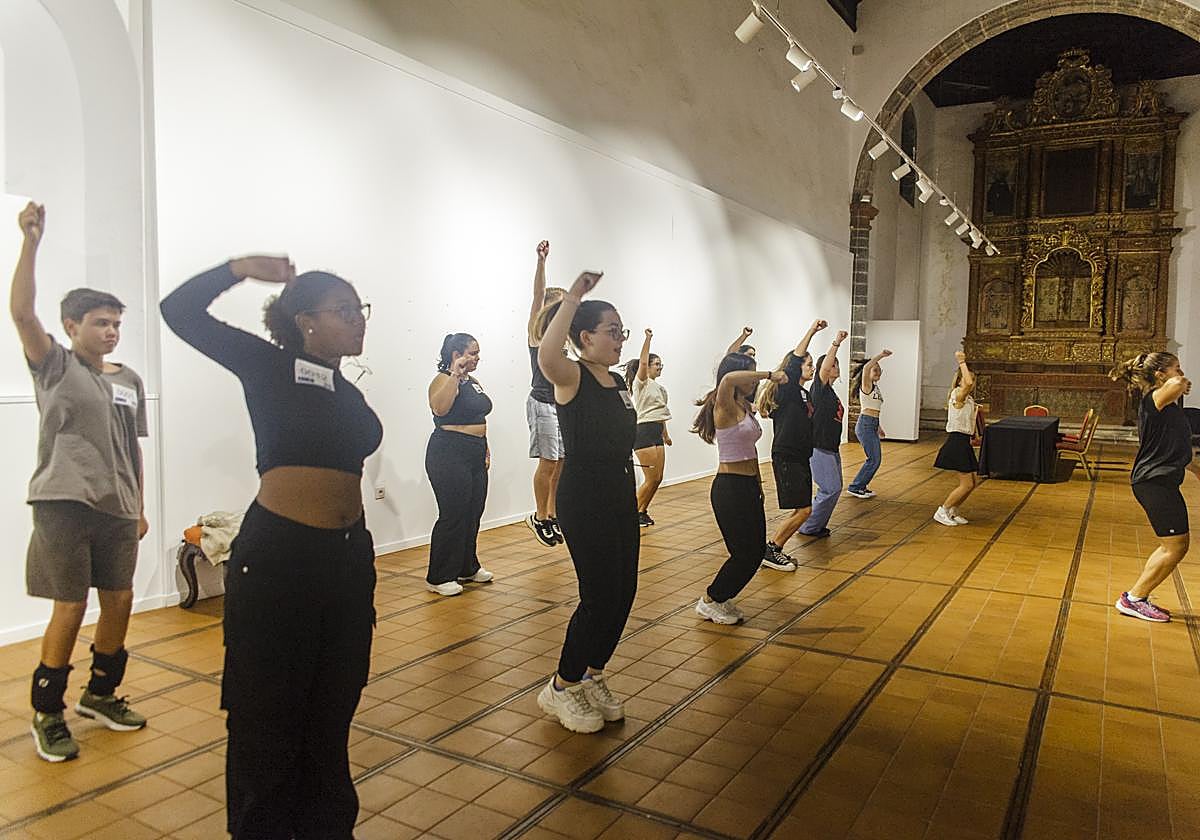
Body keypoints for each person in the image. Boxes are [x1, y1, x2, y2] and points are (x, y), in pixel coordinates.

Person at [161, 255, 382, 837]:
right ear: (305, 320)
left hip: (346, 561)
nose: (359, 321)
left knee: (332, 709)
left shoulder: (345, 388)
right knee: (267, 719)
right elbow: (178, 312)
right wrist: (237, 269)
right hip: (281, 559)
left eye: (361, 310)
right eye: (345, 311)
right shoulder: (268, 365)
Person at [11, 202, 149, 763]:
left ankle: (101, 695)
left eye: (117, 323)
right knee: (69, 607)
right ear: (72, 327)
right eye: (101, 322)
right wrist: (30, 242)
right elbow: (21, 313)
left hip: (117, 509)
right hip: (63, 504)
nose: (112, 331)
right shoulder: (56, 365)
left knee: (119, 601)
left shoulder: (131, 380)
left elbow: (132, 448)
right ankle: (48, 712)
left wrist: (139, 505)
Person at [535, 268, 637, 734]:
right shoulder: (570, 376)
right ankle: (560, 685)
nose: (619, 339)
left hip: (619, 494)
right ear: (584, 337)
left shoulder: (617, 383)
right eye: (612, 331)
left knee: (624, 593)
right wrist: (574, 296)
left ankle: (592, 673)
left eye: (622, 331)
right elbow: (546, 354)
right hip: (584, 496)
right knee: (597, 597)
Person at [693, 352, 787, 624]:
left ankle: (722, 597)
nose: (751, 380)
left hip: (747, 486)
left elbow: (751, 450)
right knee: (743, 554)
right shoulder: (723, 403)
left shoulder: (743, 405)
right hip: (729, 488)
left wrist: (758, 482)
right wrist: (769, 374)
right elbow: (729, 377)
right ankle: (710, 600)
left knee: (756, 552)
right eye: (750, 373)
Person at [1109, 351, 1196, 622]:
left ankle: (1136, 597)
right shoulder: (1152, 401)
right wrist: (1180, 382)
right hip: (1153, 482)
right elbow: (1178, 385)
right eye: (1176, 368)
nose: (1180, 373)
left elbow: (1179, 451)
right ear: (1159, 375)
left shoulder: (1166, 408)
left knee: (1173, 545)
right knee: (1175, 546)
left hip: (1160, 481)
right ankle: (1133, 598)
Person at [425, 333, 494, 596]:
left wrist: (485, 447)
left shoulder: (473, 382)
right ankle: (439, 576)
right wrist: (455, 375)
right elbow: (440, 409)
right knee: (453, 514)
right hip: (448, 452)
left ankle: (467, 567)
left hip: (475, 452)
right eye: (473, 353)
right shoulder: (442, 380)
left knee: (473, 511)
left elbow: (478, 414)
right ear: (456, 355)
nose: (477, 358)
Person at [757, 319, 826, 568]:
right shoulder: (787, 389)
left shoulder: (805, 394)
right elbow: (795, 359)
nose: (811, 368)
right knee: (804, 510)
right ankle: (772, 549)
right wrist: (812, 331)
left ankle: (774, 548)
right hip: (787, 454)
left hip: (800, 456)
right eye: (809, 365)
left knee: (804, 509)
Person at [526, 240, 566, 547]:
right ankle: (539, 516)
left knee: (562, 461)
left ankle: (552, 513)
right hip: (542, 403)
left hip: (561, 405)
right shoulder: (538, 334)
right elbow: (538, 297)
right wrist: (541, 263)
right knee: (549, 462)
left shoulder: (564, 339)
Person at [797, 330, 848, 538]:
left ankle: (816, 526)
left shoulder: (831, 392)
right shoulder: (819, 388)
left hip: (831, 447)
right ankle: (807, 526)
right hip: (819, 446)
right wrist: (836, 343)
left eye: (837, 364)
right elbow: (825, 368)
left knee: (834, 488)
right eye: (832, 364)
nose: (835, 366)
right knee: (831, 488)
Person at [626, 329, 672, 526]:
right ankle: (629, 515)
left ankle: (642, 511)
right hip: (643, 431)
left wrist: (666, 435)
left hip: (656, 432)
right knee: (651, 477)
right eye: (657, 364)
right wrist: (648, 339)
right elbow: (643, 362)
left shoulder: (661, 388)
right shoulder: (641, 383)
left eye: (661, 364)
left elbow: (661, 414)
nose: (660, 366)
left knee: (658, 478)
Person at [933, 351, 980, 527]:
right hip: (956, 442)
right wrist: (962, 361)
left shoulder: (968, 399)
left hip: (964, 441)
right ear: (960, 379)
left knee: (973, 482)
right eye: (969, 378)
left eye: (974, 379)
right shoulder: (957, 394)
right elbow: (967, 382)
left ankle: (952, 511)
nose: (971, 382)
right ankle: (942, 510)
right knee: (966, 484)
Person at [847, 348, 893, 499]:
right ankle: (855, 487)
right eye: (875, 369)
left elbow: (873, 408)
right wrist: (880, 356)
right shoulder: (866, 386)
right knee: (874, 459)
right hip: (865, 424)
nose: (878, 372)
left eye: (880, 369)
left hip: (871, 424)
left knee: (874, 458)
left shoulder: (875, 387)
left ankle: (861, 485)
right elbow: (867, 367)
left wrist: (878, 427)